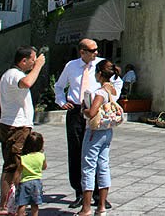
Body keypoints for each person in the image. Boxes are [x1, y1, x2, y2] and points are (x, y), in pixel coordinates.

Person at [54, 39, 122, 209]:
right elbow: (59, 85)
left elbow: (117, 81)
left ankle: (99, 194)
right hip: (77, 110)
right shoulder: (71, 66)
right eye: (92, 50)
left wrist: (111, 98)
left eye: (97, 50)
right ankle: (80, 192)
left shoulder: (101, 66)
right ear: (82, 51)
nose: (96, 53)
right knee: (76, 151)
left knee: (97, 155)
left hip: (96, 111)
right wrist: (62, 101)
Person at [0, 45, 45, 215]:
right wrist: (39, 65)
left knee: (16, 165)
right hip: (15, 126)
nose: (34, 62)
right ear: (23, 61)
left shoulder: (11, 74)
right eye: (32, 59)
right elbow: (27, 83)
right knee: (12, 166)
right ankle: (4, 206)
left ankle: (12, 202)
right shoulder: (14, 74)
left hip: (17, 124)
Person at [78, 60, 120, 216]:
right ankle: (101, 206)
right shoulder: (113, 91)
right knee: (103, 165)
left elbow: (92, 112)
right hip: (107, 131)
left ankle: (86, 207)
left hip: (94, 131)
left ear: (100, 74)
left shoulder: (100, 92)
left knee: (88, 167)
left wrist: (84, 108)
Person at [15, 131, 47, 216]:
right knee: (35, 204)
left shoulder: (23, 158)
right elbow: (44, 167)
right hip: (37, 182)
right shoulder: (41, 156)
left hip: (25, 182)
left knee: (22, 203)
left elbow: (18, 172)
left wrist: (16, 183)